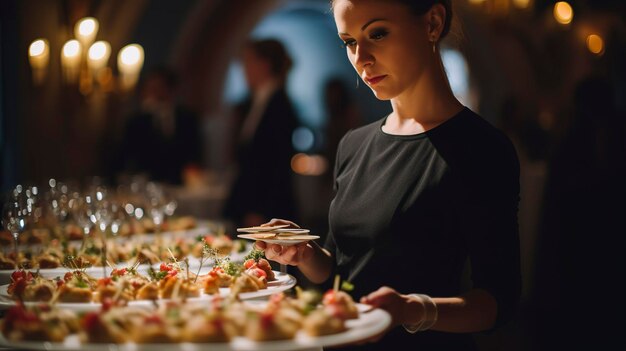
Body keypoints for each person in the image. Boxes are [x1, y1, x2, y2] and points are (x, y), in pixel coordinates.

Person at [254, 1, 522, 349]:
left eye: (377, 33)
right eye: (349, 41)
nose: (361, 58)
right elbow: (340, 271)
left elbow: (497, 302)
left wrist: (413, 310)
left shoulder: (481, 148)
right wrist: (304, 253)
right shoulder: (354, 144)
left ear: (432, 23)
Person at [222, 38, 300, 228]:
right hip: (247, 200)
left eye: (247, 62)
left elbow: (277, 163)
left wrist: (260, 210)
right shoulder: (254, 101)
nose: (244, 69)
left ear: (264, 65)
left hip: (265, 207)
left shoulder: (279, 104)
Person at [117, 66, 203, 185]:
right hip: (146, 182)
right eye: (151, 88)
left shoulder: (187, 117)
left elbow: (195, 151)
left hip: (179, 182)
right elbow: (127, 153)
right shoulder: (137, 120)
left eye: (159, 87)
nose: (154, 92)